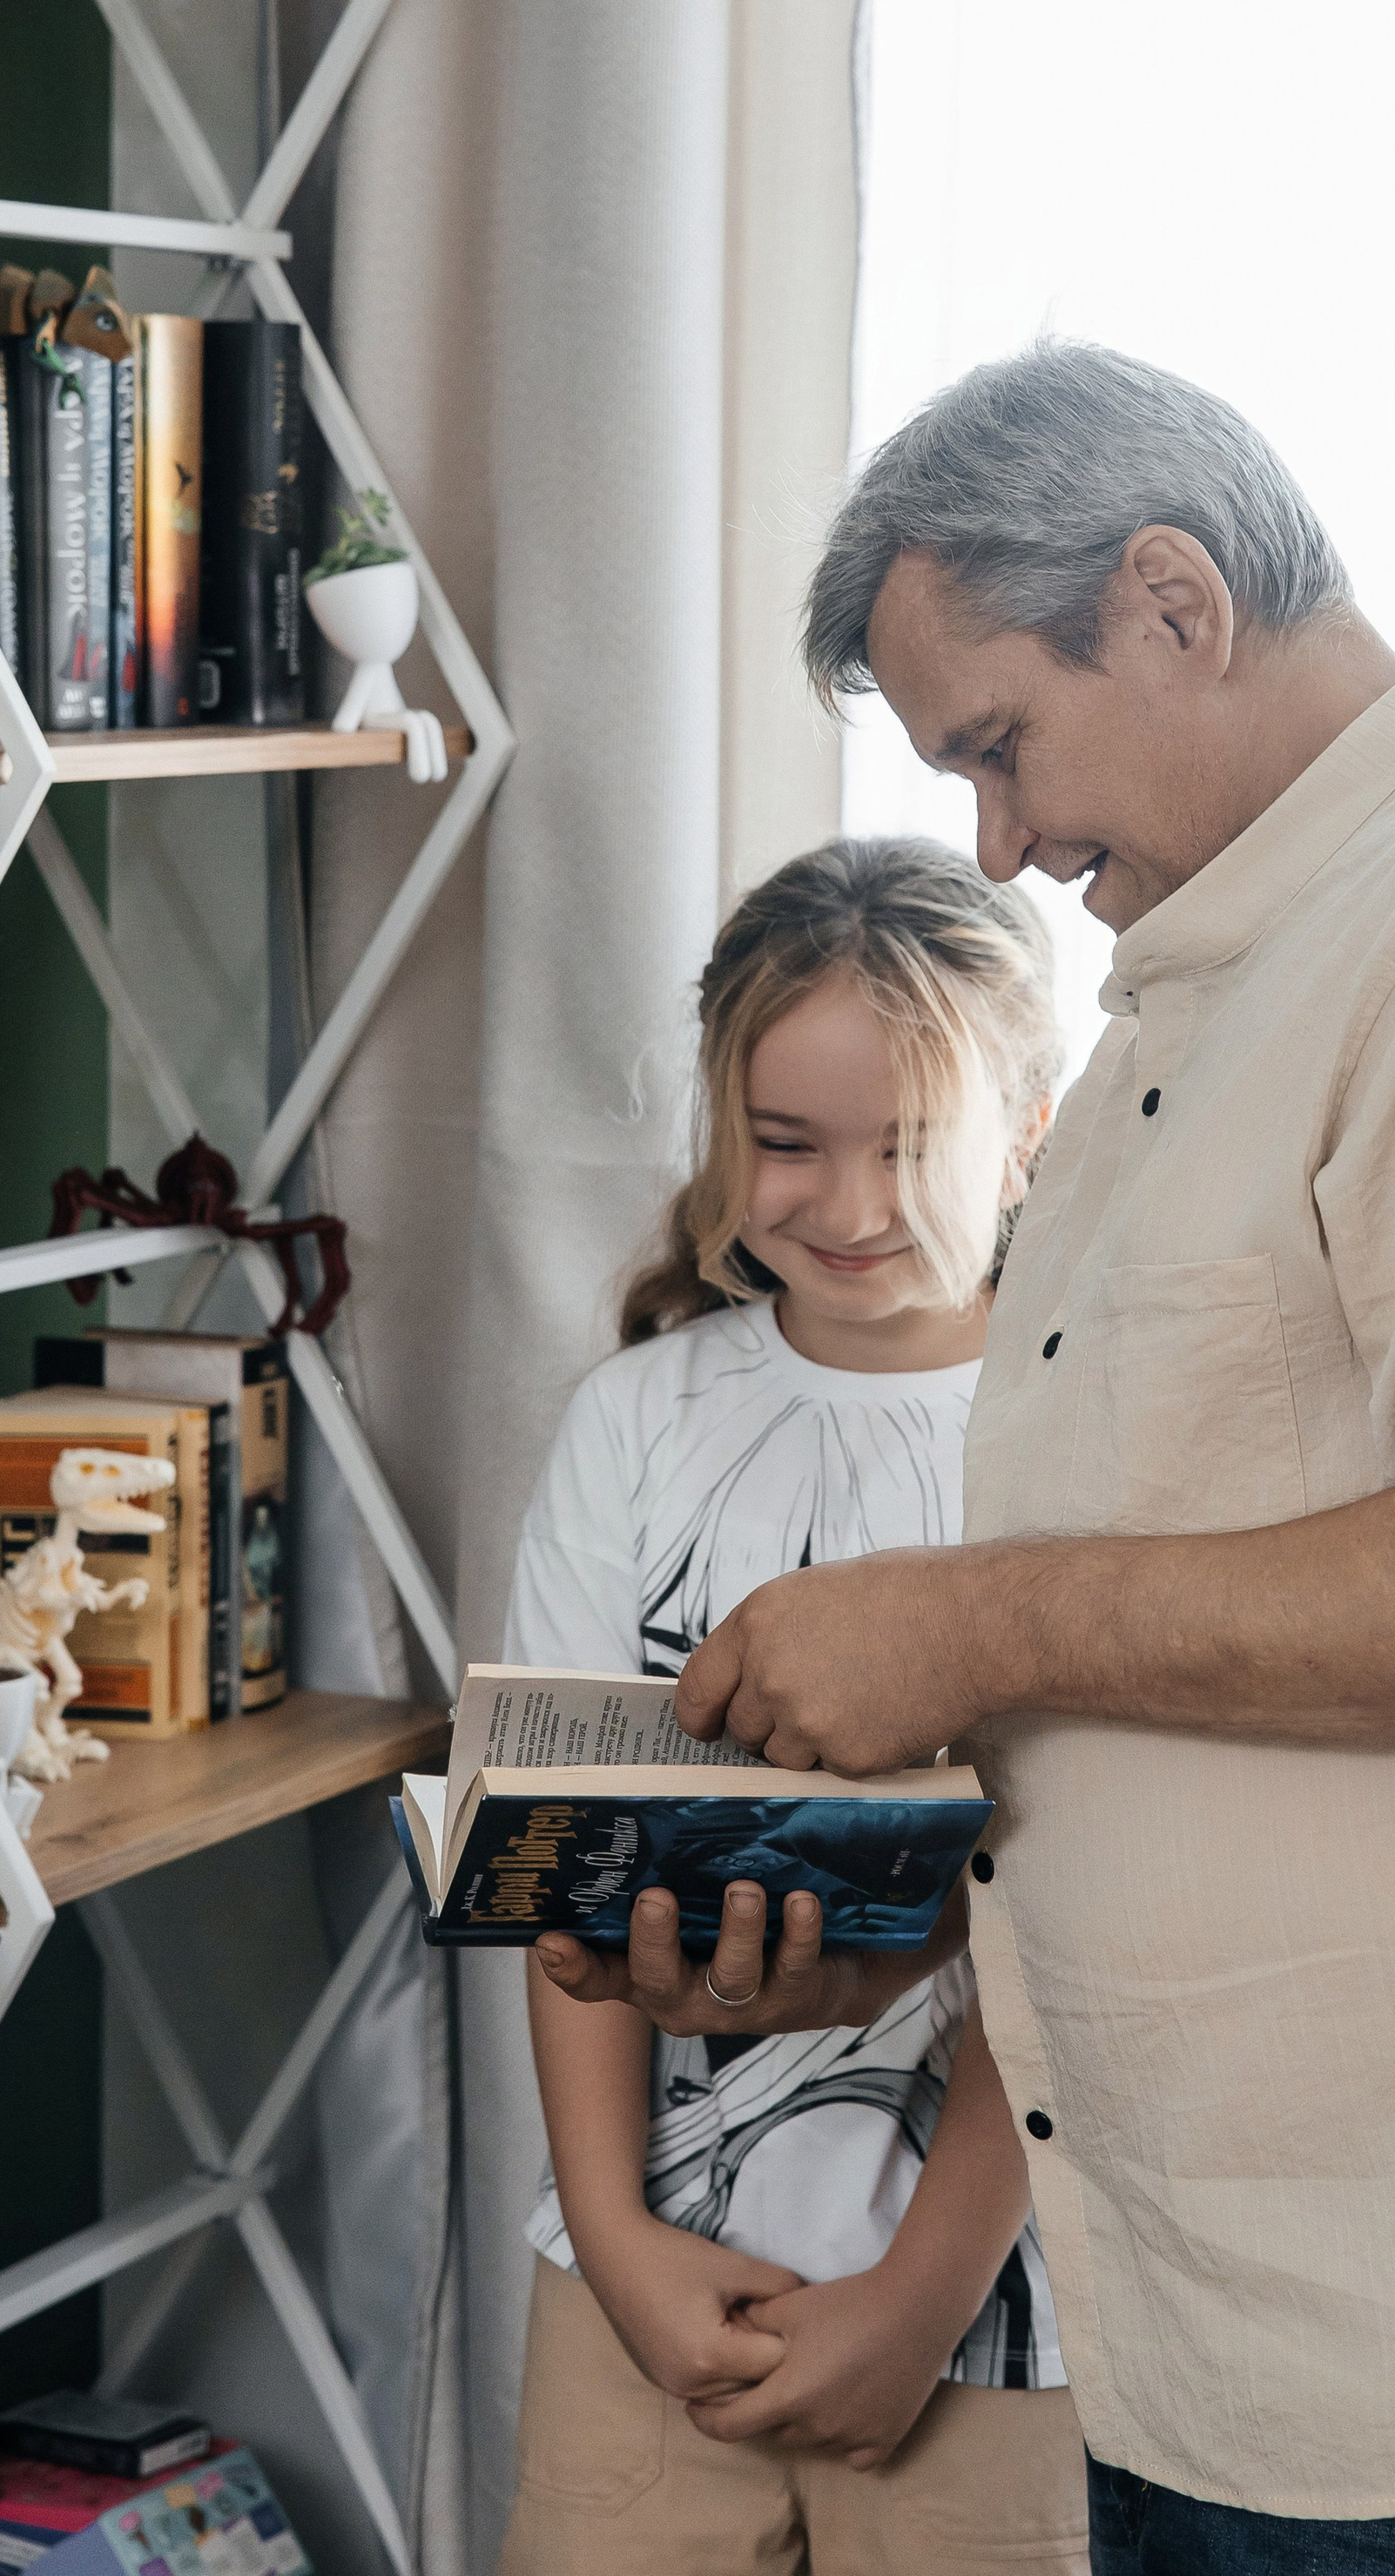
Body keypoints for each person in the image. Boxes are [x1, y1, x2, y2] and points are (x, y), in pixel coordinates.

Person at [538, 341, 1395, 2576]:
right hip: (1223, 2348)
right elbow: (1204, 1661)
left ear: (1170, 601)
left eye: (995, 745)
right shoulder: (1204, 997)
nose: (999, 840)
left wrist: (957, 1623)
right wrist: (848, 1941)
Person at [498, 838, 1088, 2575]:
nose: (839, 1206)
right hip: (648, 2299)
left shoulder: (1084, 1439)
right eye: (784, 1143)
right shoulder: (637, 1420)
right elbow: (553, 1864)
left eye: (905, 1148)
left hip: (995, 2319)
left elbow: (1082, 1924)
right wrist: (612, 2235)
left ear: (1029, 1127)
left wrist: (923, 2294)